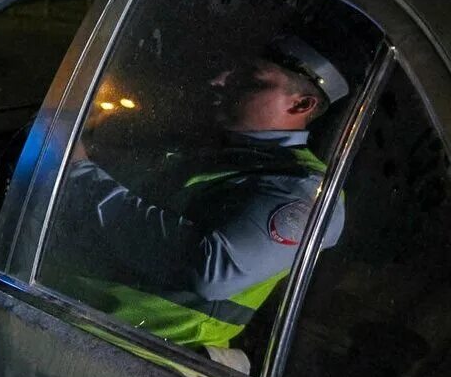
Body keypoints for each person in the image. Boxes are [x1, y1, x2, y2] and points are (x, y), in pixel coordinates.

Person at [60, 35, 350, 356]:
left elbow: (211, 269)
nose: (220, 81)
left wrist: (77, 174)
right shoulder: (214, 149)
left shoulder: (305, 188)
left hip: (140, 354)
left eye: (248, 79)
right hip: (74, 318)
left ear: (300, 104)